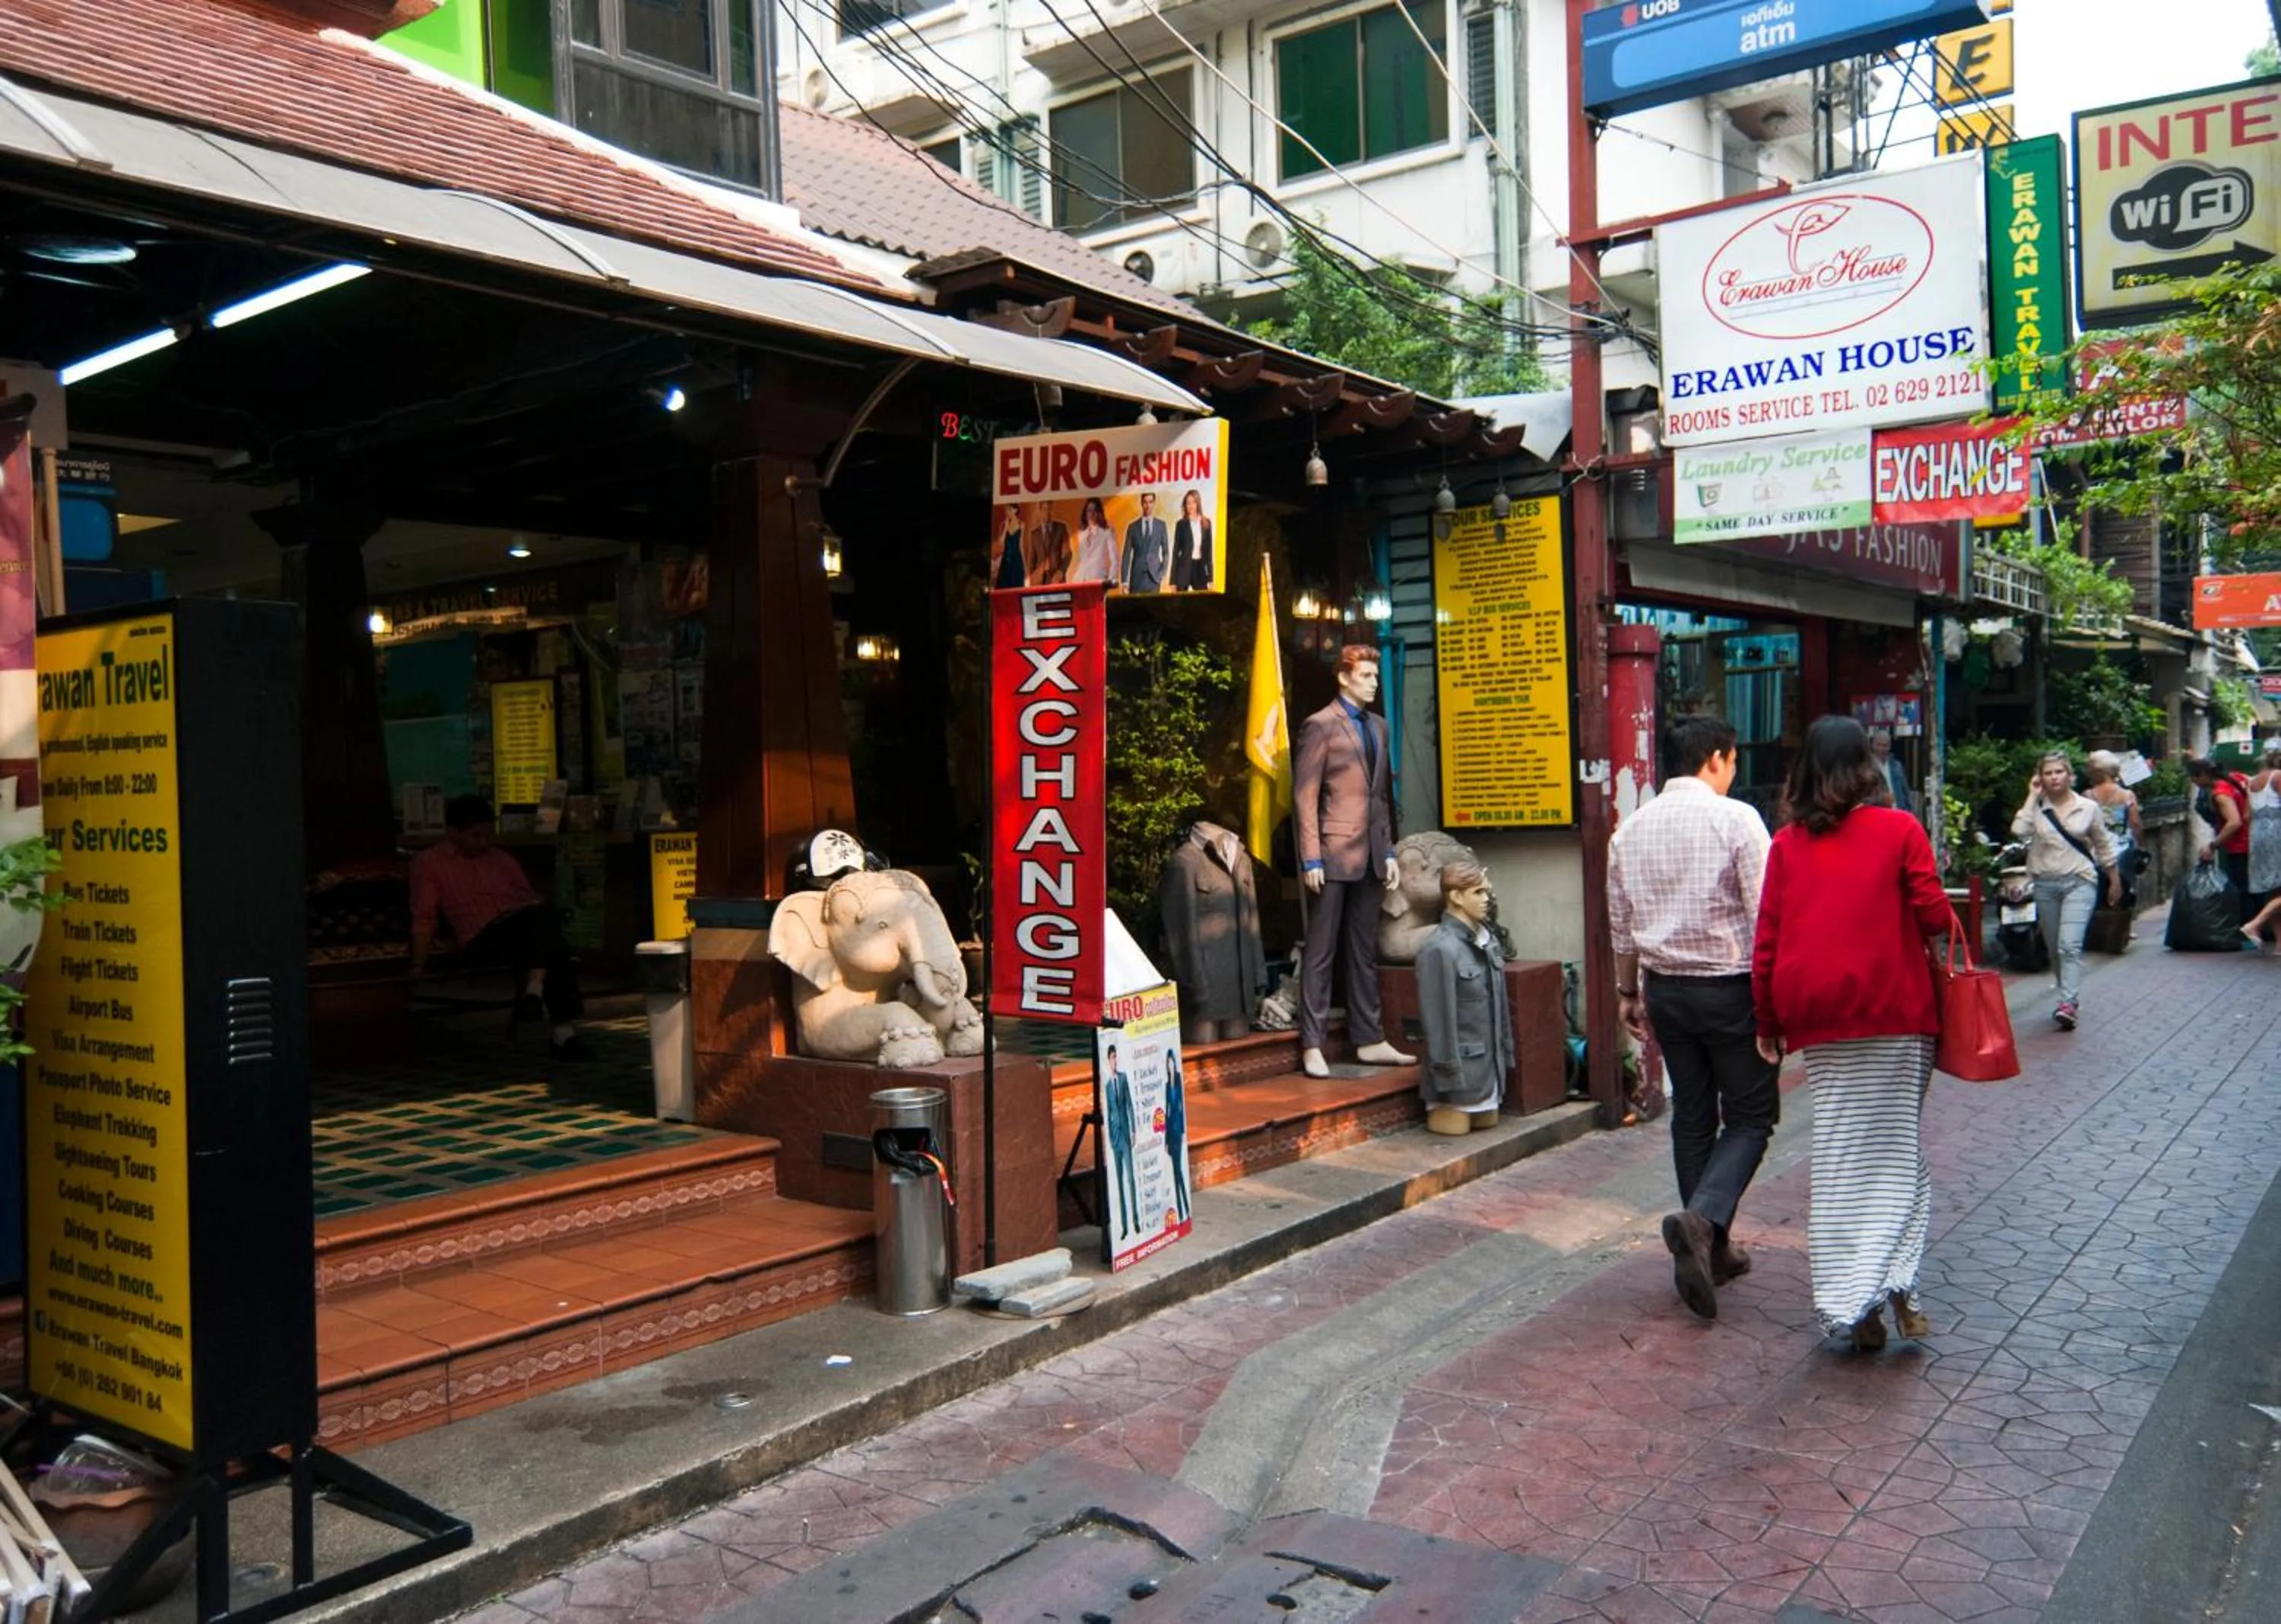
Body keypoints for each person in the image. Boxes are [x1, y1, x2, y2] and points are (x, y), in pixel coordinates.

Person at [1751, 715, 1953, 1353]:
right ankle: (1895, 1288)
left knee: (1841, 1156)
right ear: (1867, 765)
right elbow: (1934, 915)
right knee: (1895, 1152)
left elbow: (1768, 943)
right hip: (1896, 1011)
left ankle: (1853, 1302)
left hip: (1819, 1014)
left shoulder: (1786, 844)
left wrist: (1767, 1022)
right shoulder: (1900, 830)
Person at [1608, 715, 1775, 1321]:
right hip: (1729, 989)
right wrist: (1775, 999)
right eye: (1731, 761)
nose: (1733, 772)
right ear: (1715, 759)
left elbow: (1620, 925)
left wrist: (1628, 992)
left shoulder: (1630, 831)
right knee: (1753, 1116)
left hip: (1666, 992)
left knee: (1695, 1116)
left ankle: (1711, 1247)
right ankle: (1704, 1225)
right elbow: (1767, 918)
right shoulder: (1737, 820)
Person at [1293, 644, 1413, 1079]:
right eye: (1365, 675)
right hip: (1331, 853)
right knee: (1321, 952)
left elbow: (1381, 796)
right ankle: (1313, 1043)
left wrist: (1388, 850)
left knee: (1363, 950)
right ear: (1343, 678)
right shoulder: (1320, 725)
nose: (1373, 683)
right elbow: (1305, 797)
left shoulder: (1378, 727)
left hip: (1370, 855)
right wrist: (1310, 858)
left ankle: (1370, 1038)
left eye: (1375, 676)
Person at [409, 795, 588, 1060]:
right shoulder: (430, 863)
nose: (483, 842)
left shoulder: (501, 859)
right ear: (453, 833)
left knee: (545, 927)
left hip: (522, 932)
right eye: (475, 836)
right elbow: (424, 916)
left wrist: (527, 906)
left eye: (487, 835)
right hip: (480, 939)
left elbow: (526, 896)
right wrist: (417, 966)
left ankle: (551, 1015)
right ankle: (553, 1018)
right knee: (548, 936)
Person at [2013, 751, 2121, 1029]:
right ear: (2041, 779)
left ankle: (2068, 1002)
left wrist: (2114, 879)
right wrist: (2030, 796)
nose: (2054, 777)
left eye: (2059, 772)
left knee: (2069, 945)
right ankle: (2067, 994)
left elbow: (2103, 844)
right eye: (2047, 773)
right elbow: (2019, 830)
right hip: (2046, 883)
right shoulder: (2037, 808)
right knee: (2054, 948)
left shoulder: (2088, 807)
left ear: (2070, 776)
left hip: (2080, 881)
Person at [1413, 861, 1514, 1137]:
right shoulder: (1439, 949)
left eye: (1487, 892)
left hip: (1489, 1076)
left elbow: (1500, 1009)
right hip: (1456, 1086)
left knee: (1488, 1121)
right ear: (1456, 897)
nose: (1487, 900)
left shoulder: (1486, 941)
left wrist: (1506, 1054)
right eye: (1478, 893)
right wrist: (1446, 1074)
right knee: (1455, 1125)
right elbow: (1438, 1021)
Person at [2083, 750, 2144, 905]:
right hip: (2122, 852)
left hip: (2096, 852)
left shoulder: (2087, 796)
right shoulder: (2127, 795)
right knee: (2124, 897)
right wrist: (2140, 845)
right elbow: (2136, 823)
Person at [1102, 1042, 1138, 1239]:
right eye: (1112, 1058)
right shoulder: (1107, 1086)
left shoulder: (1123, 1079)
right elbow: (1109, 1112)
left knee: (1131, 1178)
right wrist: (1109, 1135)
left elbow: (1130, 1105)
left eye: (1116, 1057)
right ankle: (1124, 1225)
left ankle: (1136, 1219)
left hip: (1125, 1133)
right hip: (1115, 1136)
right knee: (1119, 1181)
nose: (1115, 1061)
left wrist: (1133, 1130)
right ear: (1108, 1061)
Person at [1119, 492, 1169, 594]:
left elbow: (1166, 552)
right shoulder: (1132, 527)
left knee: (1154, 608)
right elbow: (1126, 555)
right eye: (1145, 502)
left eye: (1151, 502)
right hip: (1137, 577)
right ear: (1141, 504)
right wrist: (1124, 581)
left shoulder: (1161, 526)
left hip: (1154, 578)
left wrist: (1162, 573)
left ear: (1154, 503)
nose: (1148, 506)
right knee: (1136, 608)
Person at [1163, 1052, 1191, 1222]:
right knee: (1175, 1172)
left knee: (1179, 1170)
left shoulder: (1178, 1082)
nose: (1170, 1066)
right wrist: (1166, 1139)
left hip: (1178, 1130)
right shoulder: (1167, 1085)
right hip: (1170, 1131)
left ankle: (1185, 1209)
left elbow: (1180, 1108)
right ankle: (1181, 1212)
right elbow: (1166, 1113)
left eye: (1172, 1063)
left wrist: (1181, 1130)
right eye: (1168, 1064)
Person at [1170, 489, 1213, 592]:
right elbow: (1176, 552)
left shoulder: (1206, 523)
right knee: (1180, 603)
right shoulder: (1181, 524)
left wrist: (1211, 578)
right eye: (1188, 503)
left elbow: (1209, 552)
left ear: (1198, 503)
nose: (1191, 506)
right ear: (1185, 506)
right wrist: (1173, 581)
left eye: (1193, 502)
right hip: (1184, 568)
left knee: (1201, 602)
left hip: (1199, 568)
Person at [1070, 496, 1116, 585]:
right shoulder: (1081, 534)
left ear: (1099, 513)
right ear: (1085, 513)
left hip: (1098, 580)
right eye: (1089, 511)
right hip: (1080, 580)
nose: (1092, 514)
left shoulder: (1106, 533)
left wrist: (1110, 581)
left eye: (1095, 511)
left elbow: (1115, 561)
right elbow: (1082, 560)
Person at [1869, 728, 1913, 814]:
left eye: (1885, 745)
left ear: (1889, 746)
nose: (1881, 749)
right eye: (1878, 745)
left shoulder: (1897, 766)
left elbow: (1905, 793)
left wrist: (1909, 812)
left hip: (1898, 812)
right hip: (1878, 814)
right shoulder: (1868, 767)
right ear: (1873, 746)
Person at [1023, 506, 1071, 585]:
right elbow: (1032, 561)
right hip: (1039, 582)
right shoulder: (1034, 534)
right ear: (1040, 511)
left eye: (1050, 509)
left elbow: (1068, 554)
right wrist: (1033, 581)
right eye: (1045, 509)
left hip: (1057, 581)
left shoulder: (1061, 528)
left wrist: (1060, 573)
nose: (1047, 513)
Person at [994, 504, 1026, 590]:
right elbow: (1000, 544)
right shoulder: (1003, 525)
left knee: (1017, 586)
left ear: (1015, 510)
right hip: (1006, 559)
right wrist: (1006, 528)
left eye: (1009, 510)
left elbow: (1021, 545)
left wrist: (1024, 565)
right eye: (1006, 510)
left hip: (1017, 559)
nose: (1007, 512)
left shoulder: (1021, 525)